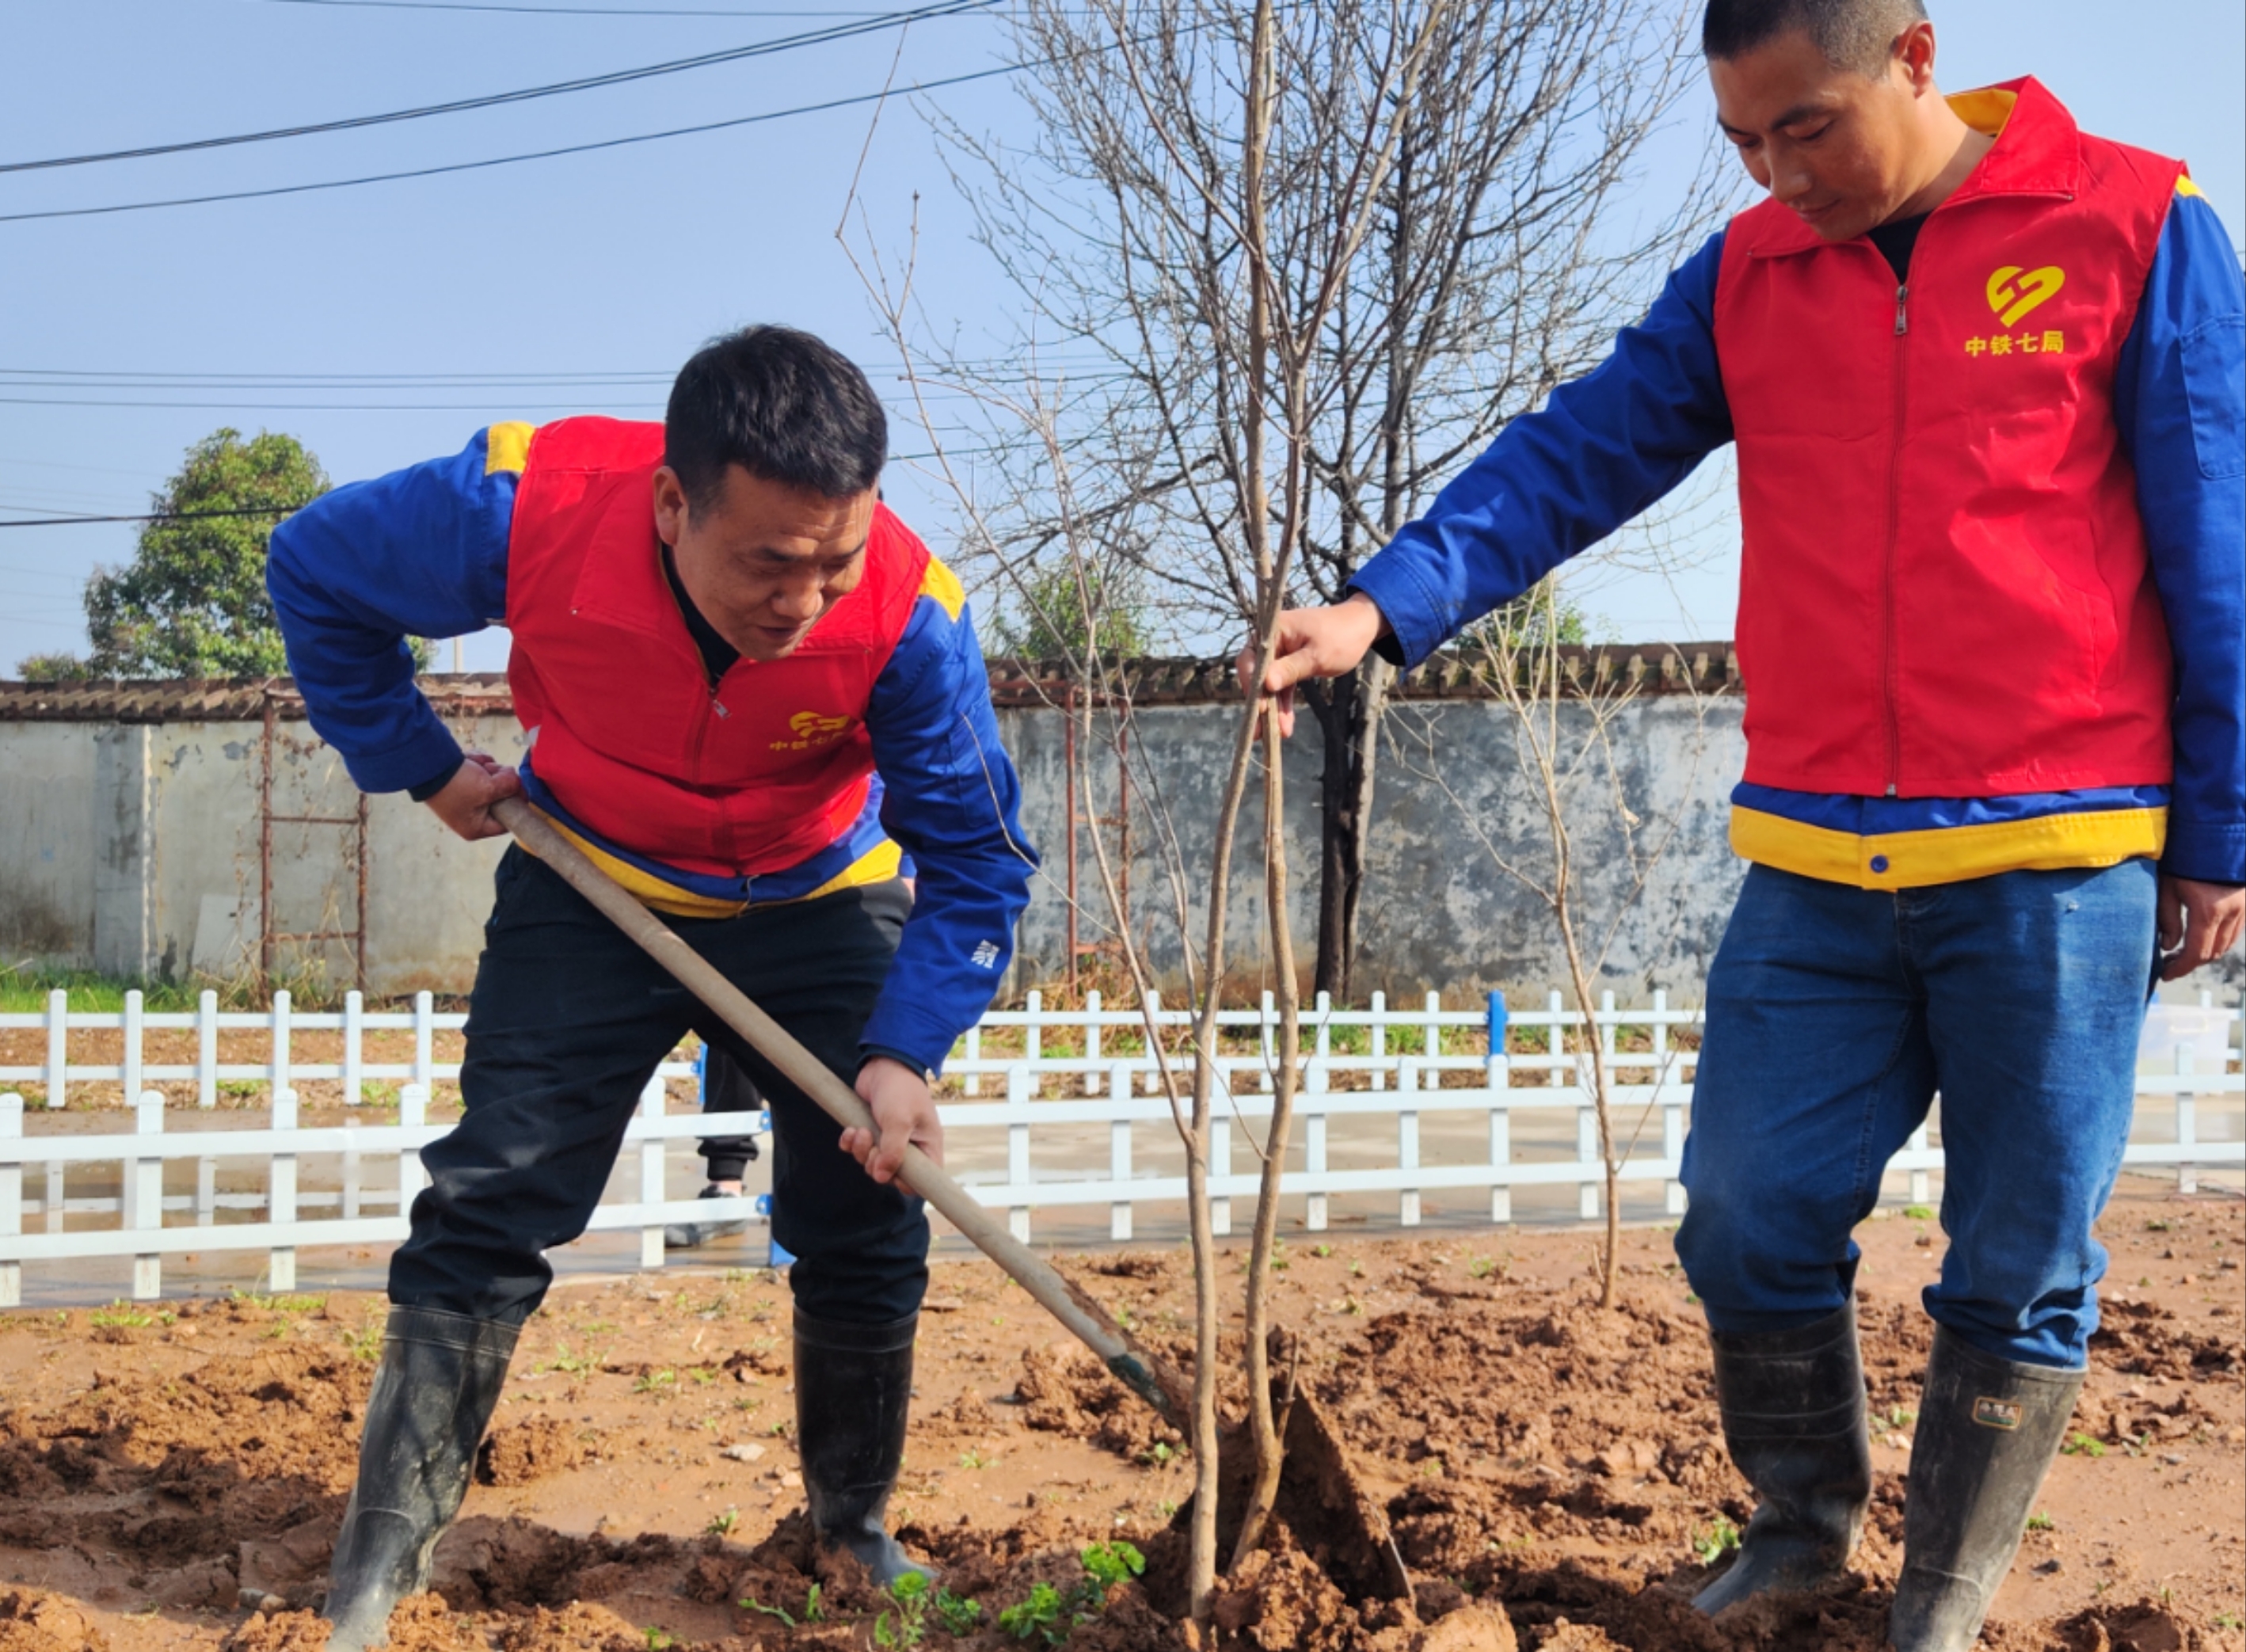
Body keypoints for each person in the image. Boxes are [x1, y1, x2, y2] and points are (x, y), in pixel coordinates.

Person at [1244, 4, 2242, 1649]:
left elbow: (2212, 538)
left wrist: (2213, 823)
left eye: (1806, 129)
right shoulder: (1746, 277)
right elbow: (1575, 451)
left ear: (1911, 57)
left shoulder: (2131, 222)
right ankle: (1797, 1526)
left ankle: (1938, 1595)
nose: (1779, 175)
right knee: (1740, 1210)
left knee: (2017, 1252)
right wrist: (1381, 606)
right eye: (1741, 143)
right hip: (1817, 861)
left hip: (2056, 857)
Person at [268, 325, 1035, 1648]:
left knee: (865, 1201)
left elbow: (974, 857)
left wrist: (906, 1051)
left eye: (831, 561)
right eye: (769, 562)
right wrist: (418, 759)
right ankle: (377, 1564)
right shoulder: (523, 510)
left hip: (815, 886)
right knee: (493, 1192)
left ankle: (851, 1531)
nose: (803, 600)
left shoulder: (911, 613)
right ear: (674, 502)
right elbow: (315, 565)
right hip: (594, 872)